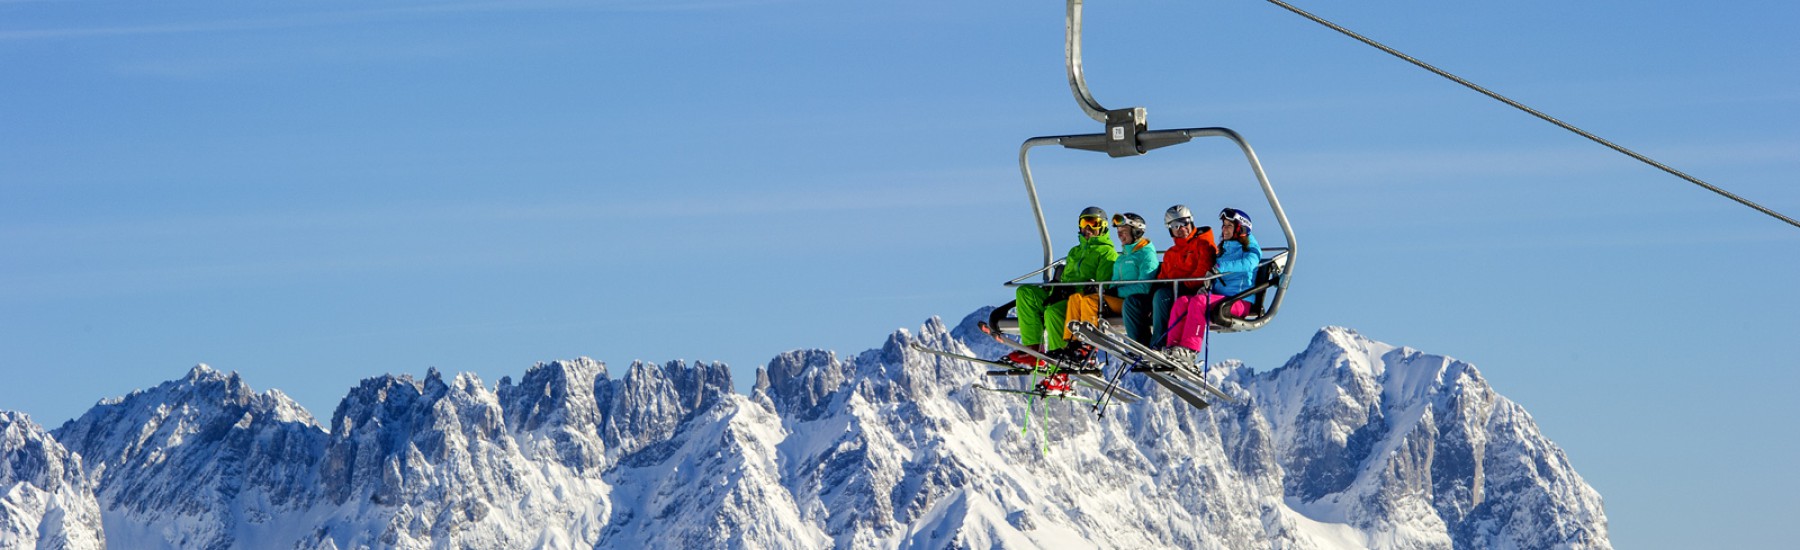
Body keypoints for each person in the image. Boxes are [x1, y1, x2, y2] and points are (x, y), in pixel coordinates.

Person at [1006, 207, 1117, 394]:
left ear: (1103, 227)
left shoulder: (1107, 253)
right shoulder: (1074, 251)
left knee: (1054, 312)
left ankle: (1058, 368)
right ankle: (1033, 350)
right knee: (1025, 292)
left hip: (1079, 299)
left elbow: (1101, 285)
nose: (1088, 228)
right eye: (1084, 223)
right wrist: (1057, 287)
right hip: (1062, 293)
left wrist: (1075, 289)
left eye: (1093, 224)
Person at [1164, 207, 1261, 365]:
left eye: (1229, 226)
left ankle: (1190, 350)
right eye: (1223, 226)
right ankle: (1173, 347)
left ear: (1240, 228)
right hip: (1221, 299)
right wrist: (1208, 285)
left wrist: (1220, 268)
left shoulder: (1249, 248)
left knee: (1199, 302)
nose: (1224, 229)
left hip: (1240, 301)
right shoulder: (1224, 250)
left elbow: (1249, 264)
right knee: (1182, 302)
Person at [1155, 205, 1216, 365]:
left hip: (1194, 292)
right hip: (1177, 293)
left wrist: (1179, 284)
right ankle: (1167, 347)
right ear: (1170, 230)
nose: (1181, 228)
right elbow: (1162, 278)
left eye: (1184, 223)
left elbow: (1202, 274)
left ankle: (1160, 345)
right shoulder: (1170, 253)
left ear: (1191, 222)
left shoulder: (1202, 244)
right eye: (1175, 226)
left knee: (1163, 297)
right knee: (1141, 300)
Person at [1109, 212, 1160, 347]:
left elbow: (1144, 287)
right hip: (1119, 300)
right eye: (1118, 231)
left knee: (1092, 302)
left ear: (1136, 231)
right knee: (1082, 298)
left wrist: (1116, 292)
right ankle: (1073, 343)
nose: (1119, 235)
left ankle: (1140, 344)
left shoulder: (1146, 254)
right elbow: (1113, 284)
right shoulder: (1121, 258)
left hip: (1139, 301)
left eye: (1124, 231)